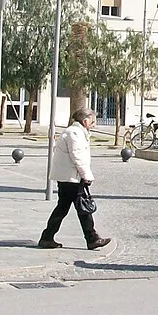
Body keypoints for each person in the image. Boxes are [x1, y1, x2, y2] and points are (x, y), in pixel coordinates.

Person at [39, 107, 111, 251]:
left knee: (64, 208)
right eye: (92, 121)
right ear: (85, 121)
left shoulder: (75, 132)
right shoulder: (75, 133)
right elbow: (78, 156)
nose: (94, 124)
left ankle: (47, 237)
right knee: (82, 208)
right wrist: (86, 175)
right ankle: (92, 239)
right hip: (71, 178)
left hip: (69, 176)